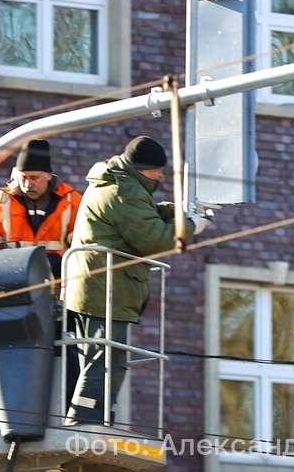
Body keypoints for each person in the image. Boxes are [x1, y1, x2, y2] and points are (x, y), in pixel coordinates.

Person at [63, 135, 212, 424]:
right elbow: (154, 238)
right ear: (141, 168)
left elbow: (145, 215)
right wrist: (191, 226)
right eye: (157, 171)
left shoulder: (115, 182)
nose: (160, 176)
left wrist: (178, 211)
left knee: (102, 359)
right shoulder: (124, 192)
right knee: (105, 361)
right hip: (105, 290)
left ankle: (96, 418)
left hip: (94, 287)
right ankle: (85, 423)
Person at [0, 138, 82, 280]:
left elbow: (82, 248)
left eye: (34, 178)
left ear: (49, 175)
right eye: (23, 178)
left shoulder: (72, 202)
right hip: (12, 286)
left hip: (59, 286)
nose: (28, 184)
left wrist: (48, 263)